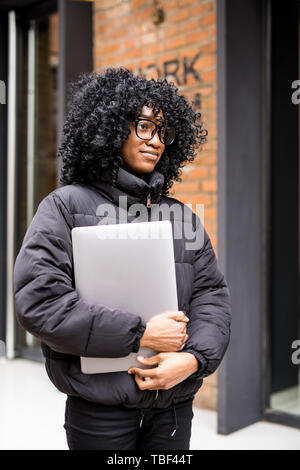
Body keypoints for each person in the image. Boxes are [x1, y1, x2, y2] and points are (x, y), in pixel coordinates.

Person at [13, 68, 231, 450]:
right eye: (144, 126)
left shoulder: (182, 215)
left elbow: (211, 295)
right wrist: (141, 334)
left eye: (164, 132)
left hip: (174, 407)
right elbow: (40, 302)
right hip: (100, 411)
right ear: (111, 127)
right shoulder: (64, 207)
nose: (156, 141)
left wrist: (193, 360)